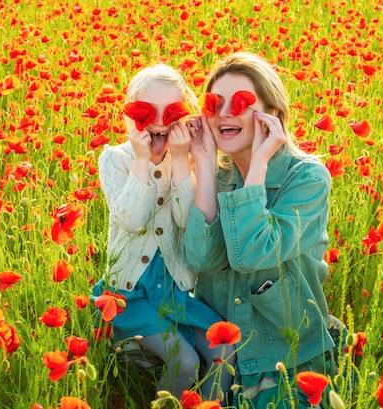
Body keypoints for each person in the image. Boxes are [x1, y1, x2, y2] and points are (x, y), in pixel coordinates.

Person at [184, 52, 341, 408]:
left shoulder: (306, 178)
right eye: (214, 103)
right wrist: (205, 165)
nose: (225, 112)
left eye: (240, 103)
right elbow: (202, 259)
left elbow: (253, 253)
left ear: (270, 114)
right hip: (221, 358)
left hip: (285, 352)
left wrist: (259, 162)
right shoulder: (217, 178)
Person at [92, 63, 233, 401]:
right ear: (128, 117)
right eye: (144, 112)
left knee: (224, 351)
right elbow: (131, 218)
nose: (158, 122)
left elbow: (187, 220)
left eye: (171, 113)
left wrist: (183, 160)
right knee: (184, 360)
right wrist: (143, 160)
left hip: (175, 292)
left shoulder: (183, 161)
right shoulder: (115, 159)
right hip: (131, 295)